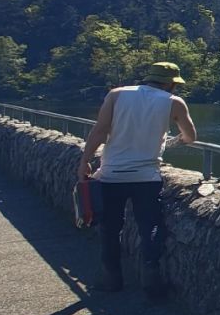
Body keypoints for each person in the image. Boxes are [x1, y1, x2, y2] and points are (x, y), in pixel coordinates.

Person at [79, 62, 197, 297]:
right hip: (147, 177)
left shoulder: (117, 94)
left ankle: (111, 279)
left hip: (112, 175)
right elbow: (191, 136)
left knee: (110, 229)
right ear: (170, 84)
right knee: (150, 227)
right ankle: (151, 280)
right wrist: (173, 141)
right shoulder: (173, 102)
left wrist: (85, 161)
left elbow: (100, 131)